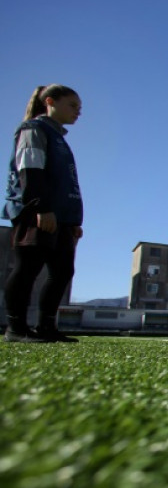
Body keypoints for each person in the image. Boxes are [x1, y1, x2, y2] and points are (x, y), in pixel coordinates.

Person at [2, 85, 84, 343]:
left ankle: (46, 327)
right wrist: (40, 208)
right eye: (72, 106)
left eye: (79, 109)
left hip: (61, 216)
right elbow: (30, 169)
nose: (77, 112)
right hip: (37, 212)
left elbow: (66, 182)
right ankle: (16, 328)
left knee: (62, 271)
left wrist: (72, 221)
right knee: (28, 267)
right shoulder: (33, 129)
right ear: (50, 101)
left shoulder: (60, 139)